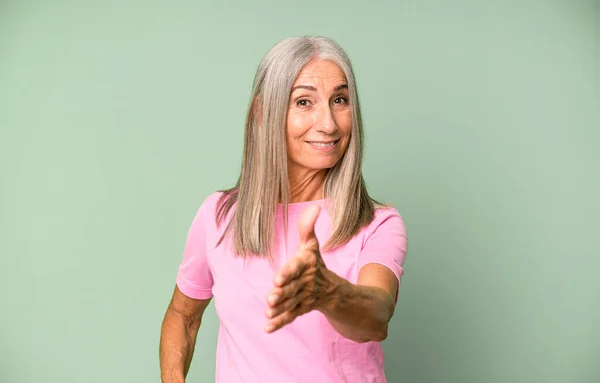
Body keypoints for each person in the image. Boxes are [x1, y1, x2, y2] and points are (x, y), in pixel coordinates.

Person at [159, 35, 408, 383]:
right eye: (304, 102)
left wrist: (327, 291)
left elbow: (376, 318)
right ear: (263, 113)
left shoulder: (377, 223)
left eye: (340, 100)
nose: (329, 124)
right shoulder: (218, 216)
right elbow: (182, 316)